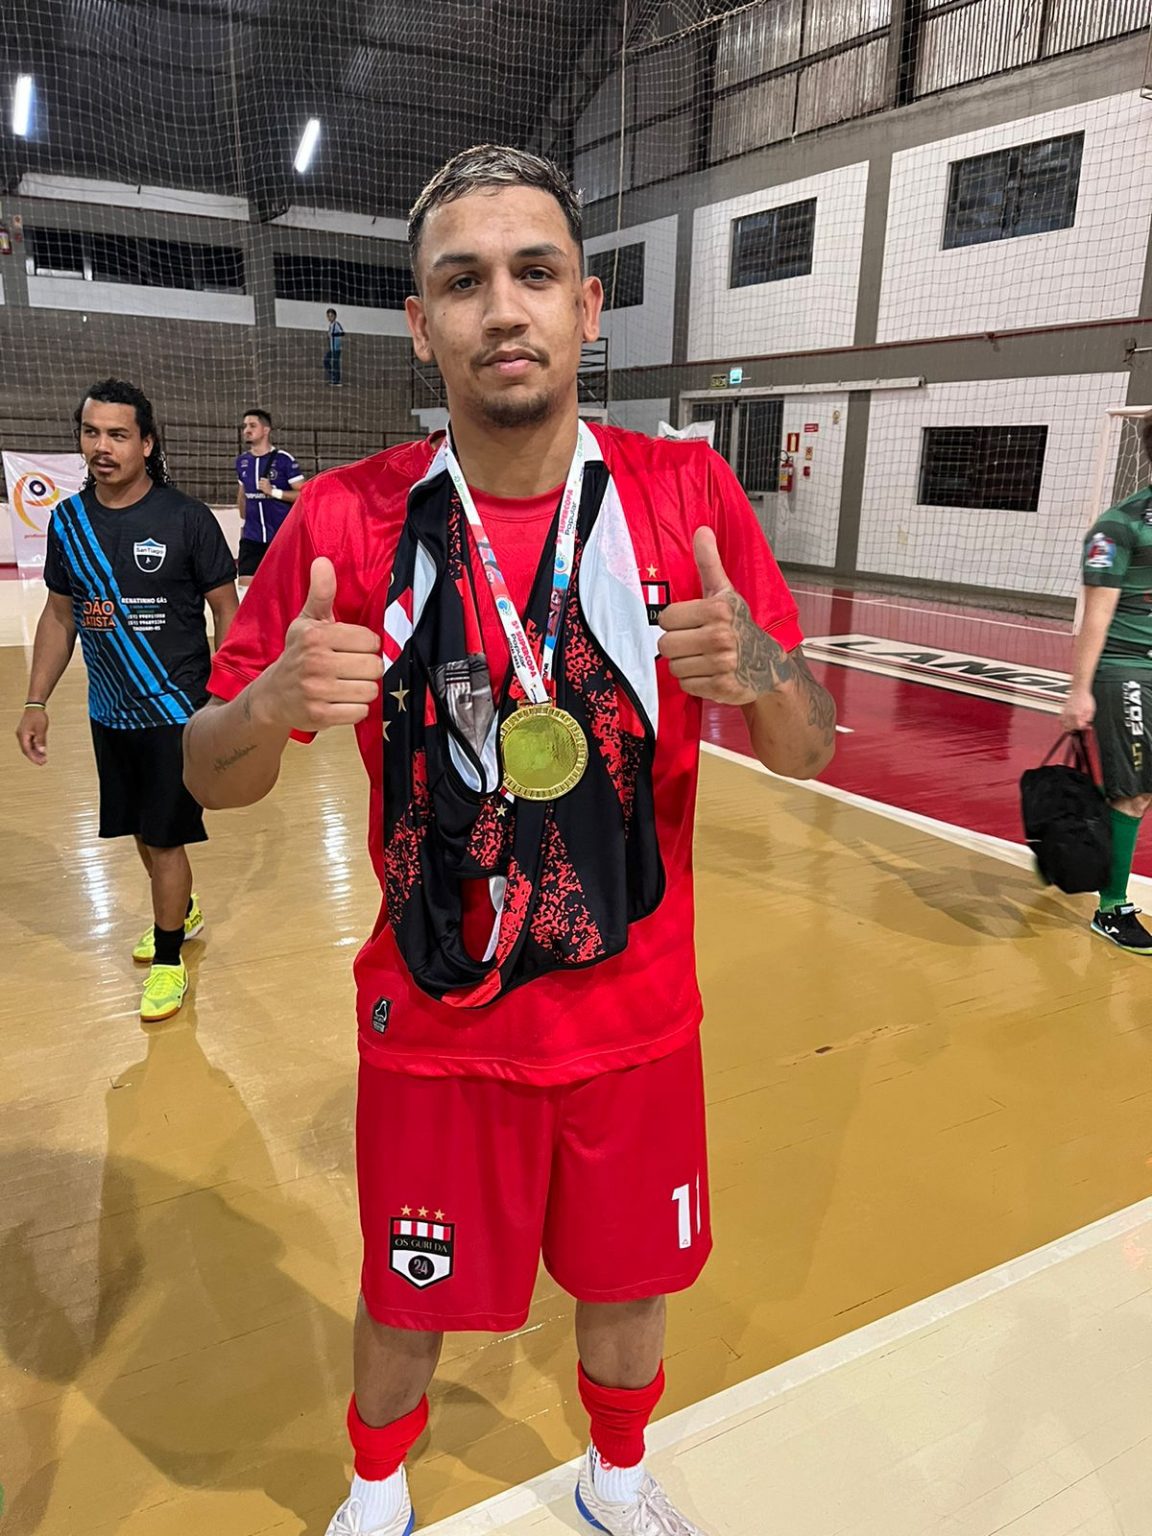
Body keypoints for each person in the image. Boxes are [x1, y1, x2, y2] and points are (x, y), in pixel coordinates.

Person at [184, 145, 836, 1536]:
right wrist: (264, 703)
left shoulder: (686, 496)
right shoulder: (347, 519)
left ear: (587, 307)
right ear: (420, 324)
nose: (502, 309)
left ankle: (617, 1474)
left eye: (534, 273)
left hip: (636, 1018)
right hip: (436, 1017)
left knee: (631, 1280)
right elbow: (211, 778)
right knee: (402, 1290)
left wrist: (767, 668)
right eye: (462, 281)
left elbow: (809, 748)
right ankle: (375, 1491)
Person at [17, 378, 238, 1021]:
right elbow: (60, 616)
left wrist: (226, 697)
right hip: (110, 711)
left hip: (177, 710)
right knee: (142, 829)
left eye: (117, 434)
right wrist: (35, 702)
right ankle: (182, 913)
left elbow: (227, 610)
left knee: (165, 840)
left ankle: (169, 961)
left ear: (147, 443)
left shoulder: (187, 518)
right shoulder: (69, 522)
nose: (102, 447)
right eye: (91, 433)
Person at [1062, 409, 1152, 952]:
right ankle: (1112, 907)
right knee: (1134, 790)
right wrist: (1079, 690)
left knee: (1141, 789)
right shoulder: (1119, 526)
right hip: (1127, 668)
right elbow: (1095, 615)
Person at [235, 408, 306, 585]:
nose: (246, 430)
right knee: (245, 587)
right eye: (245, 426)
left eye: (252, 426)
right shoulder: (242, 461)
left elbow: (304, 495)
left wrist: (273, 492)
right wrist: (245, 521)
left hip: (281, 538)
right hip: (252, 538)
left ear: (266, 430)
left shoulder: (283, 459)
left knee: (282, 586)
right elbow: (242, 494)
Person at [325, 308, 346, 386]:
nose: (330, 318)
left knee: (335, 363)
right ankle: (334, 375)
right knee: (326, 361)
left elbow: (342, 333)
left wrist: (333, 335)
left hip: (336, 348)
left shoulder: (336, 324)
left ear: (335, 316)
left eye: (331, 316)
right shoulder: (330, 325)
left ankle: (337, 380)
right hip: (332, 348)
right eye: (328, 316)